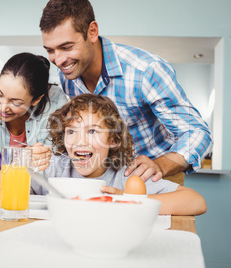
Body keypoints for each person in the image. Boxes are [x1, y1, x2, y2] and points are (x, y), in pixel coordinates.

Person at [39, 0, 213, 185]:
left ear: (92, 32)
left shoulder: (145, 71)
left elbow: (196, 132)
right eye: (50, 50)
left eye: (66, 47)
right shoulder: (68, 75)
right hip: (106, 179)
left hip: (154, 176)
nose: (58, 60)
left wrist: (159, 165)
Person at [31, 94, 207, 216]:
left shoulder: (127, 177)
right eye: (71, 132)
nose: (79, 141)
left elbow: (196, 201)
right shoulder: (52, 167)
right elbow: (3, 188)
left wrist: (127, 200)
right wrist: (23, 164)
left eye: (92, 131)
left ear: (113, 139)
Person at [0, 52, 68, 150]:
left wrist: (42, 154)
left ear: (37, 99)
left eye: (15, 102)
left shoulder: (55, 102)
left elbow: (58, 153)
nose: (3, 107)